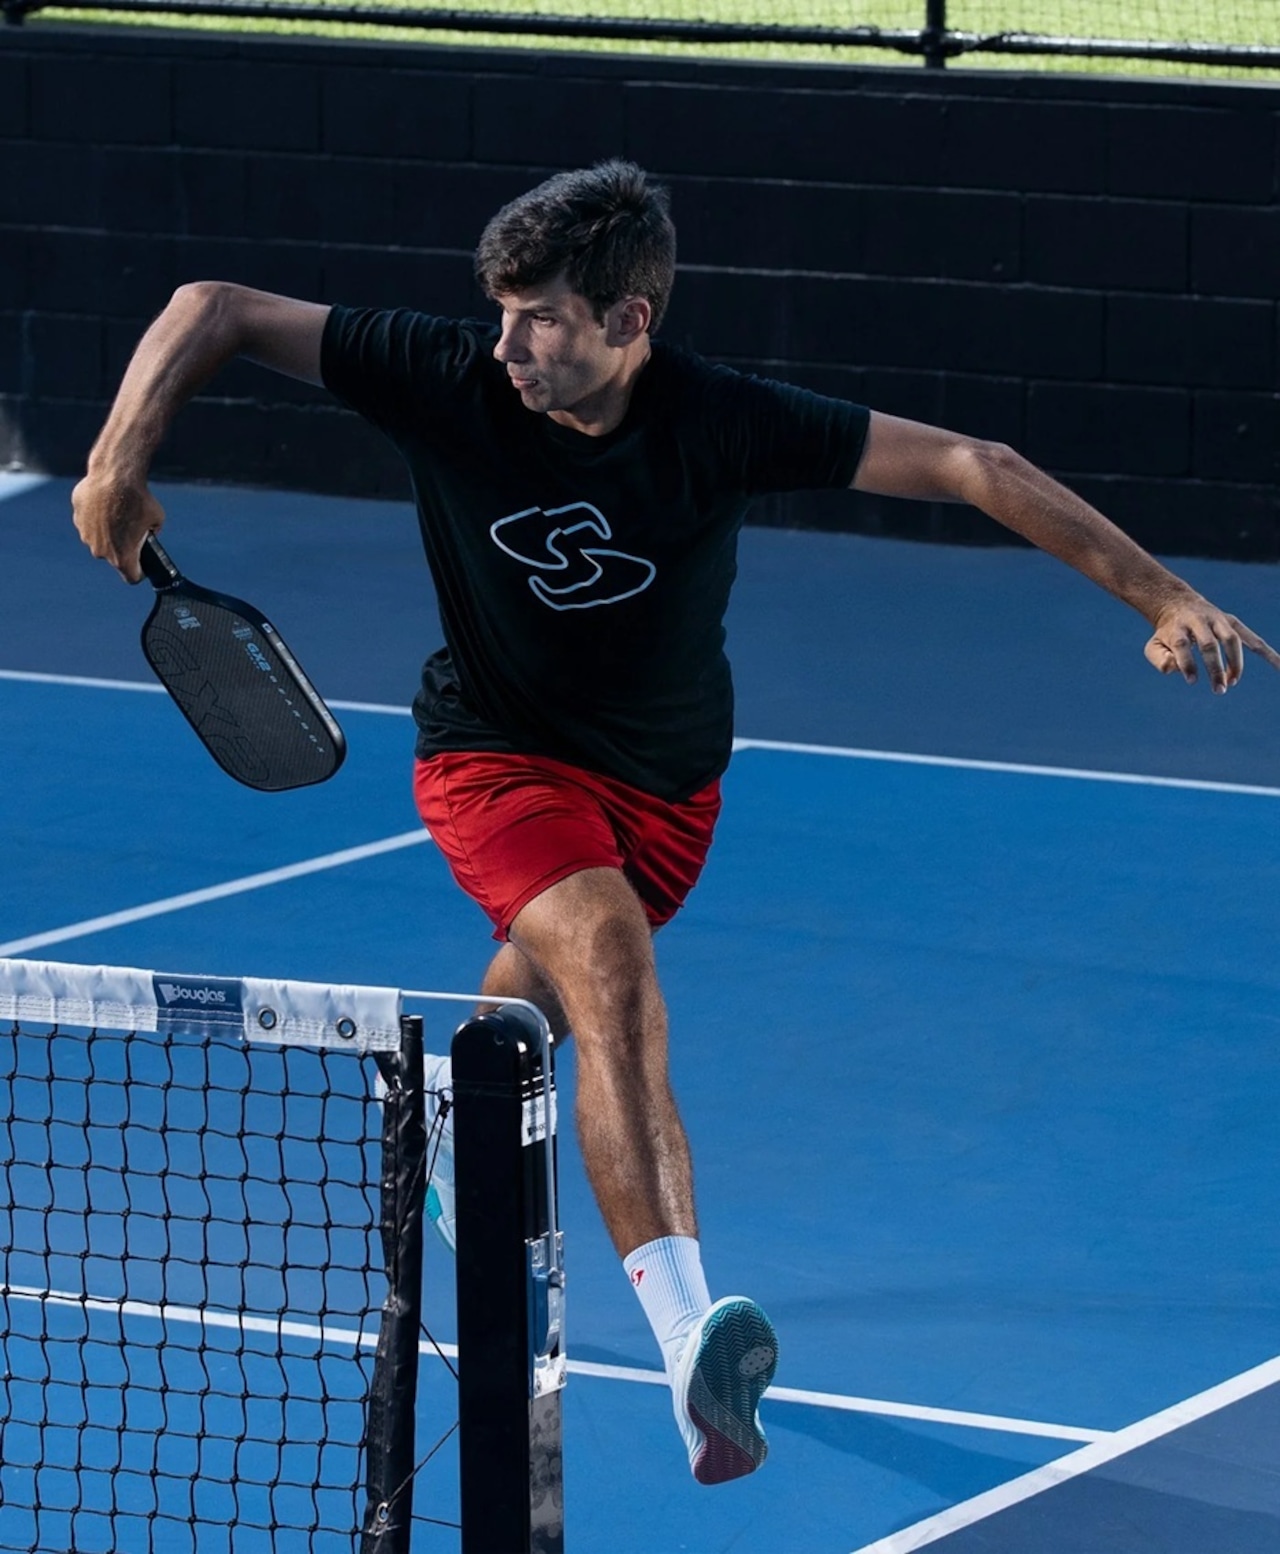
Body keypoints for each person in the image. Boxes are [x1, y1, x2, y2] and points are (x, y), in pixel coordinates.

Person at [72, 159, 1280, 1488]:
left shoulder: (720, 420)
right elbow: (214, 303)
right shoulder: (445, 376)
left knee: (537, 1000)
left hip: (666, 796)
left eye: (542, 320)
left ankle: (455, 1129)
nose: (508, 346)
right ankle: (690, 1348)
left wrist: (1162, 595)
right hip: (492, 757)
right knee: (609, 962)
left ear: (630, 320)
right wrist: (120, 457)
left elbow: (971, 464)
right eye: (501, 313)